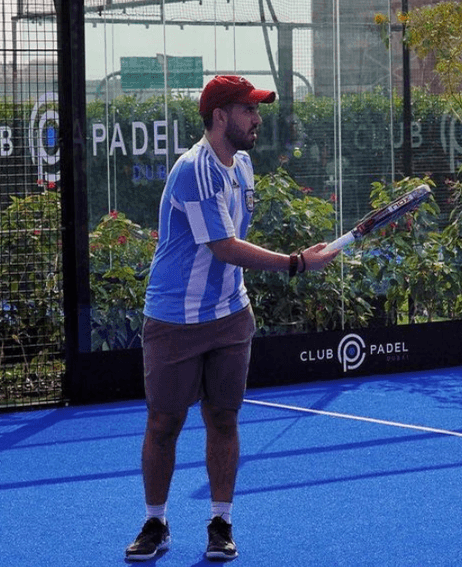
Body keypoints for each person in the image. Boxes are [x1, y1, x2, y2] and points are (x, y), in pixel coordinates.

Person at [125, 75, 340, 562]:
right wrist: (295, 262)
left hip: (229, 315)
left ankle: (220, 521)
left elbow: (232, 243)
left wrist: (290, 262)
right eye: (248, 109)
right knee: (164, 422)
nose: (257, 119)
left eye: (257, 109)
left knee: (223, 417)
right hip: (174, 319)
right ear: (220, 117)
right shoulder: (195, 168)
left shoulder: (241, 164)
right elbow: (222, 247)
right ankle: (155, 522)